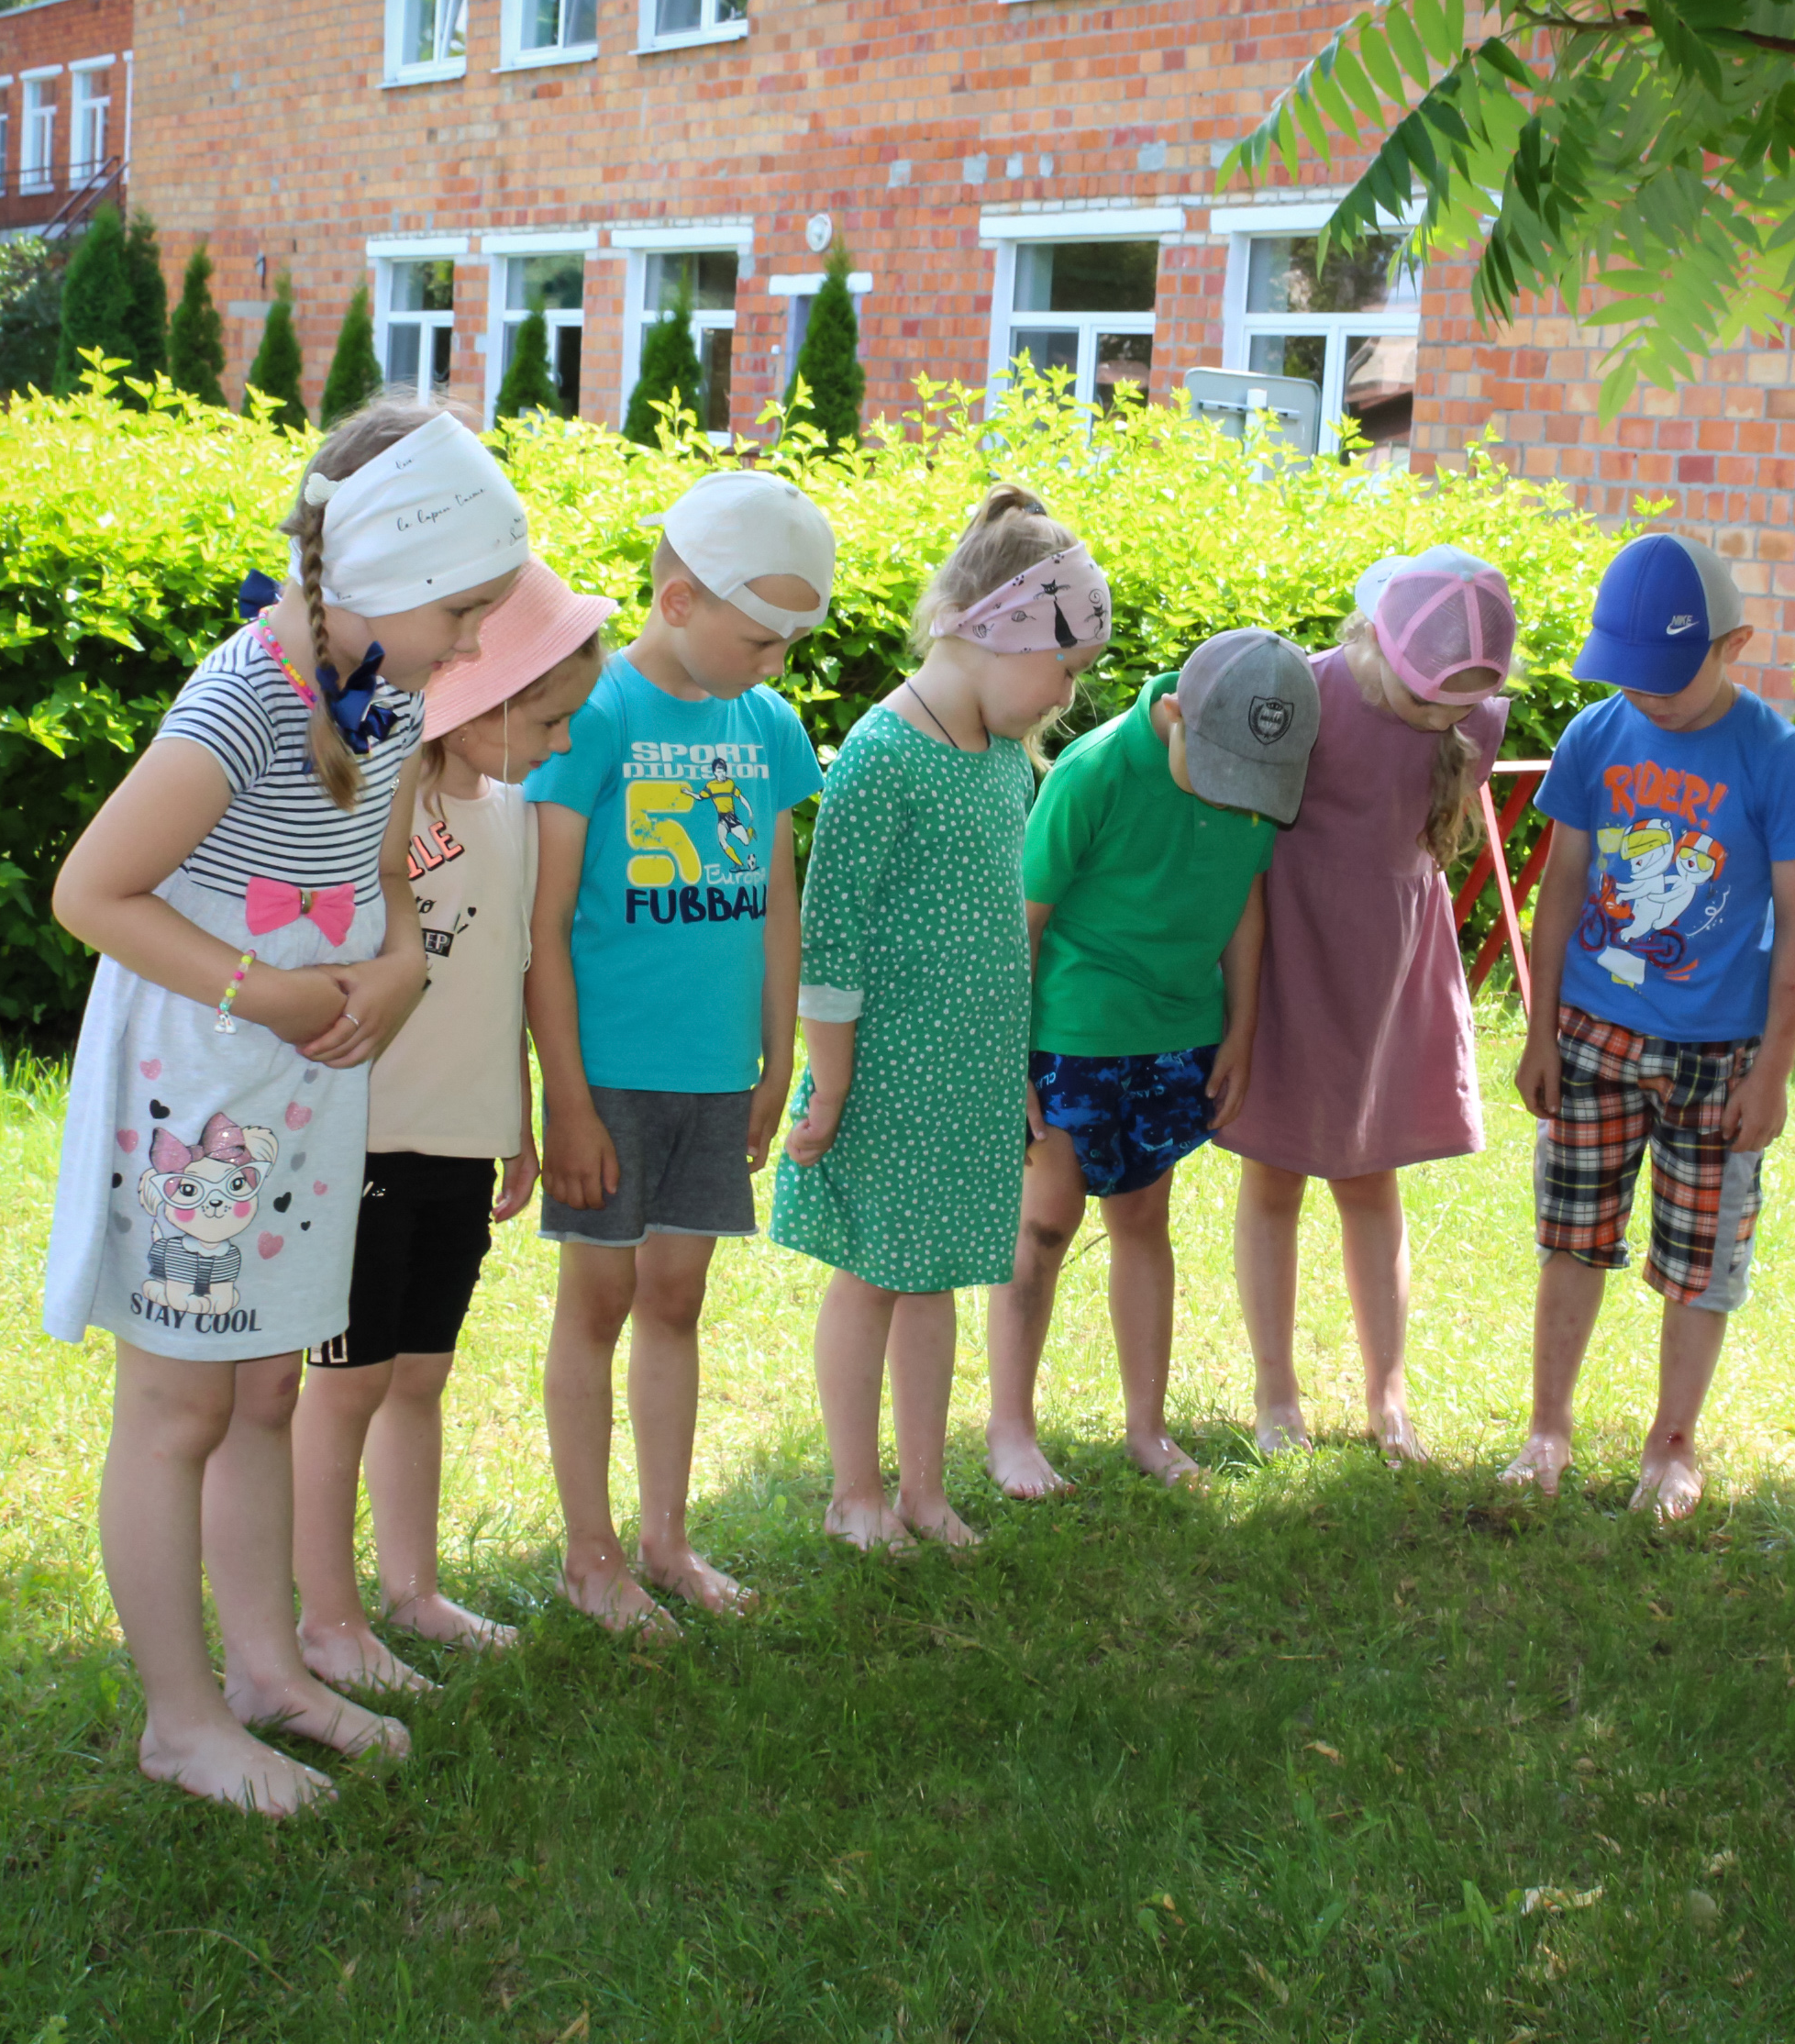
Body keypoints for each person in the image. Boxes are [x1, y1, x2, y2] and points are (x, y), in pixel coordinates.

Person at [42, 396, 529, 1813]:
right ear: (381, 574)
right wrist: (265, 992)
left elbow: (384, 876)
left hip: (299, 1095)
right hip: (196, 1095)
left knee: (265, 1388)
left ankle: (265, 1670)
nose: (477, 646)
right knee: (178, 1406)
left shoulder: (383, 697)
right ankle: (179, 1720)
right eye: (466, 611)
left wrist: (390, 972)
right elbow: (93, 892)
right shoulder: (245, 699)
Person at [289, 561, 609, 1691]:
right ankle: (325, 1620)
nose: (568, 743)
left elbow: (510, 974)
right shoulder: (377, 796)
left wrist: (513, 1122)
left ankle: (411, 1593)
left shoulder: (514, 813)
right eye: (557, 717)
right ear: (486, 694)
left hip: (460, 1147)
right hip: (359, 1144)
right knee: (347, 1384)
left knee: (418, 1375)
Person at [774, 484, 1112, 1550]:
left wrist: (1009, 1066)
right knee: (874, 1274)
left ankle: (923, 1489)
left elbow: (1000, 937)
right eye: (1062, 667)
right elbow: (829, 943)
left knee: (936, 1280)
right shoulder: (883, 755)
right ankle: (853, 1492)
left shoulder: (1004, 762)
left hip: (964, 1079)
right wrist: (829, 1083)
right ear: (995, 630)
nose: (1064, 696)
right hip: (877, 1079)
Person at [526, 472, 834, 1635]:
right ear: (676, 600)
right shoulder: (592, 713)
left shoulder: (770, 727)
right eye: (761, 640)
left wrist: (774, 1059)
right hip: (607, 1076)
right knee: (598, 1301)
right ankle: (587, 1554)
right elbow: (543, 925)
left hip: (718, 1075)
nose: (775, 667)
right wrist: (569, 1099)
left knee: (677, 1296)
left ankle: (664, 1541)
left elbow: (776, 906)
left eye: (791, 646)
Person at [1506, 532, 1795, 1518]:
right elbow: (1563, 884)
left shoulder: (1773, 756)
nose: (1646, 694)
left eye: (1668, 674)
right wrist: (1539, 1031)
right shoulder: (1596, 736)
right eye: (1630, 672)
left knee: (1701, 1259)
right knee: (1572, 1237)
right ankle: (1547, 1427)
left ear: (1733, 646)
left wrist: (1774, 1069)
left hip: (1723, 1056)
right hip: (1591, 1040)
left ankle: (1674, 1443)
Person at [983, 628, 1324, 1494]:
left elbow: (1245, 904)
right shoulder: (1093, 772)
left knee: (1144, 1223)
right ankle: (1010, 1432)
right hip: (1073, 1030)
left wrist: (1241, 1030)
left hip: (1178, 1033)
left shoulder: (1257, 771)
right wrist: (1007, 1056)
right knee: (1044, 1225)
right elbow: (1024, 919)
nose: (1231, 796)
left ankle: (1147, 1429)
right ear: (1172, 711)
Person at [1219, 549, 1516, 1462]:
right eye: (1431, 700)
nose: (1444, 721)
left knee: (1369, 1178)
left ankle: (1387, 1397)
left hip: (1386, 970)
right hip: (1291, 955)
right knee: (1273, 1178)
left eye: (1461, 707)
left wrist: (1454, 717)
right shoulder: (1301, 698)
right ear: (1377, 644)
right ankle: (1277, 1396)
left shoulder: (1476, 719)